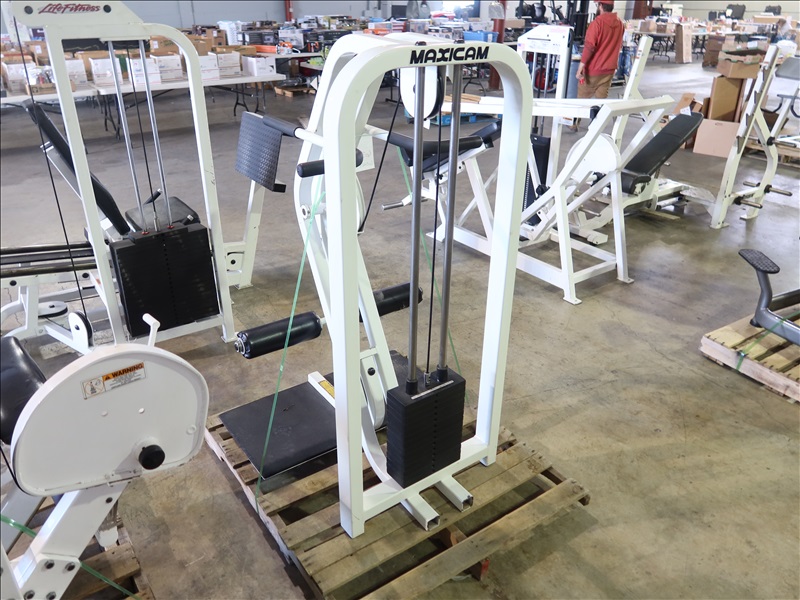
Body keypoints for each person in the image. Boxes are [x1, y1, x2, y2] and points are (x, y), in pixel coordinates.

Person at [571, 0, 624, 130]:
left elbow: (589, 47)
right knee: (601, 100)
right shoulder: (620, 24)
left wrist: (581, 67)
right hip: (609, 69)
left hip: (594, 69)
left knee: (582, 97)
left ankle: (574, 123)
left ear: (600, 6)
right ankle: (596, 126)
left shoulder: (597, 23)